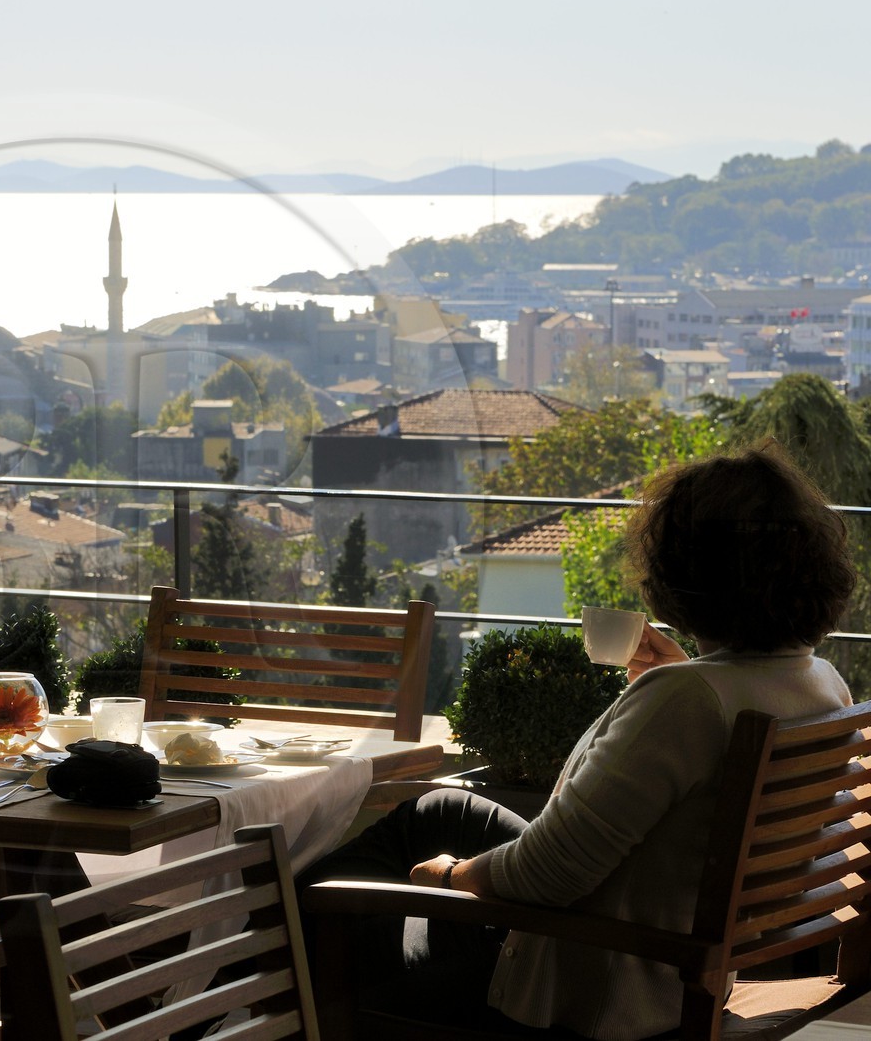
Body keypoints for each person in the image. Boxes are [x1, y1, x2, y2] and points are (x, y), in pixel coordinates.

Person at [299, 444, 858, 1040]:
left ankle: (263, 979)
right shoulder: (821, 683)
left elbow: (548, 877)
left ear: (687, 574)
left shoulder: (687, 702)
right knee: (434, 808)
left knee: (324, 911)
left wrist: (450, 876)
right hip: (666, 944)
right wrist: (680, 673)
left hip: (594, 991)